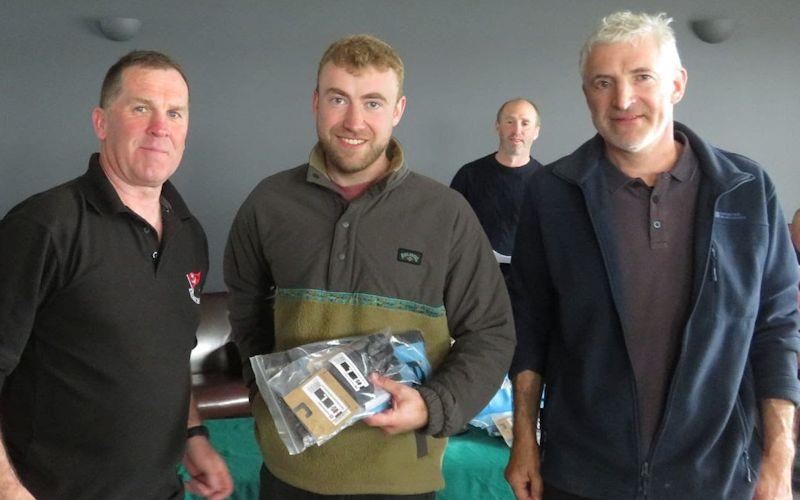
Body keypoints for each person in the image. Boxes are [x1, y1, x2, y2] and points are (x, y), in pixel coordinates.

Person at [505, 11, 800, 500]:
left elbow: (777, 329)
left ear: (677, 84)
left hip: (718, 477)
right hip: (583, 475)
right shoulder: (551, 193)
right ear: (586, 94)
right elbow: (530, 326)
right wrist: (523, 442)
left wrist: (779, 459)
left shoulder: (747, 192)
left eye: (642, 77)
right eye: (604, 82)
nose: (623, 100)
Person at [225, 34, 515, 499]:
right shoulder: (268, 204)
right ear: (316, 102)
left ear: (398, 110)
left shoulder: (445, 213)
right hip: (289, 477)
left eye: (373, 102)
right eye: (338, 98)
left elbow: (493, 332)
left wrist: (433, 405)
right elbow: (245, 304)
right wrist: (262, 390)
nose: (354, 121)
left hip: (403, 478)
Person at [0, 51, 233, 500]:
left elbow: (168, 359)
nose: (160, 127)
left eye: (175, 112)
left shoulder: (189, 235)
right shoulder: (45, 225)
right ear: (102, 122)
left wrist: (195, 438)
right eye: (141, 107)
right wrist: (9, 490)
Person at [450, 98, 543, 283]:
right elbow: (449, 228)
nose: (517, 130)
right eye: (510, 121)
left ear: (536, 132)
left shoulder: (546, 183)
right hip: (474, 278)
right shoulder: (469, 174)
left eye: (525, 123)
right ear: (498, 126)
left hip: (528, 282)